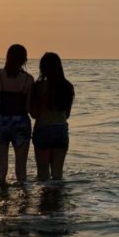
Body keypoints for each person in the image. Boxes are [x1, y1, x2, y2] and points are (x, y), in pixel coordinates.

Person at [0, 44, 33, 184]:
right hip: (21, 122)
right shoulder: (28, 79)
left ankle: (2, 202)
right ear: (24, 59)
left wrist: (3, 104)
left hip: (2, 122)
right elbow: (28, 107)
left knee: (1, 168)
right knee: (21, 170)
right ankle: (24, 202)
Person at [29, 52, 74, 181]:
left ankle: (45, 200)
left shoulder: (38, 87)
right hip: (60, 130)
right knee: (57, 175)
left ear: (42, 68)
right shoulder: (67, 86)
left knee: (43, 175)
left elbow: (33, 114)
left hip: (43, 129)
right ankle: (57, 200)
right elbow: (67, 114)